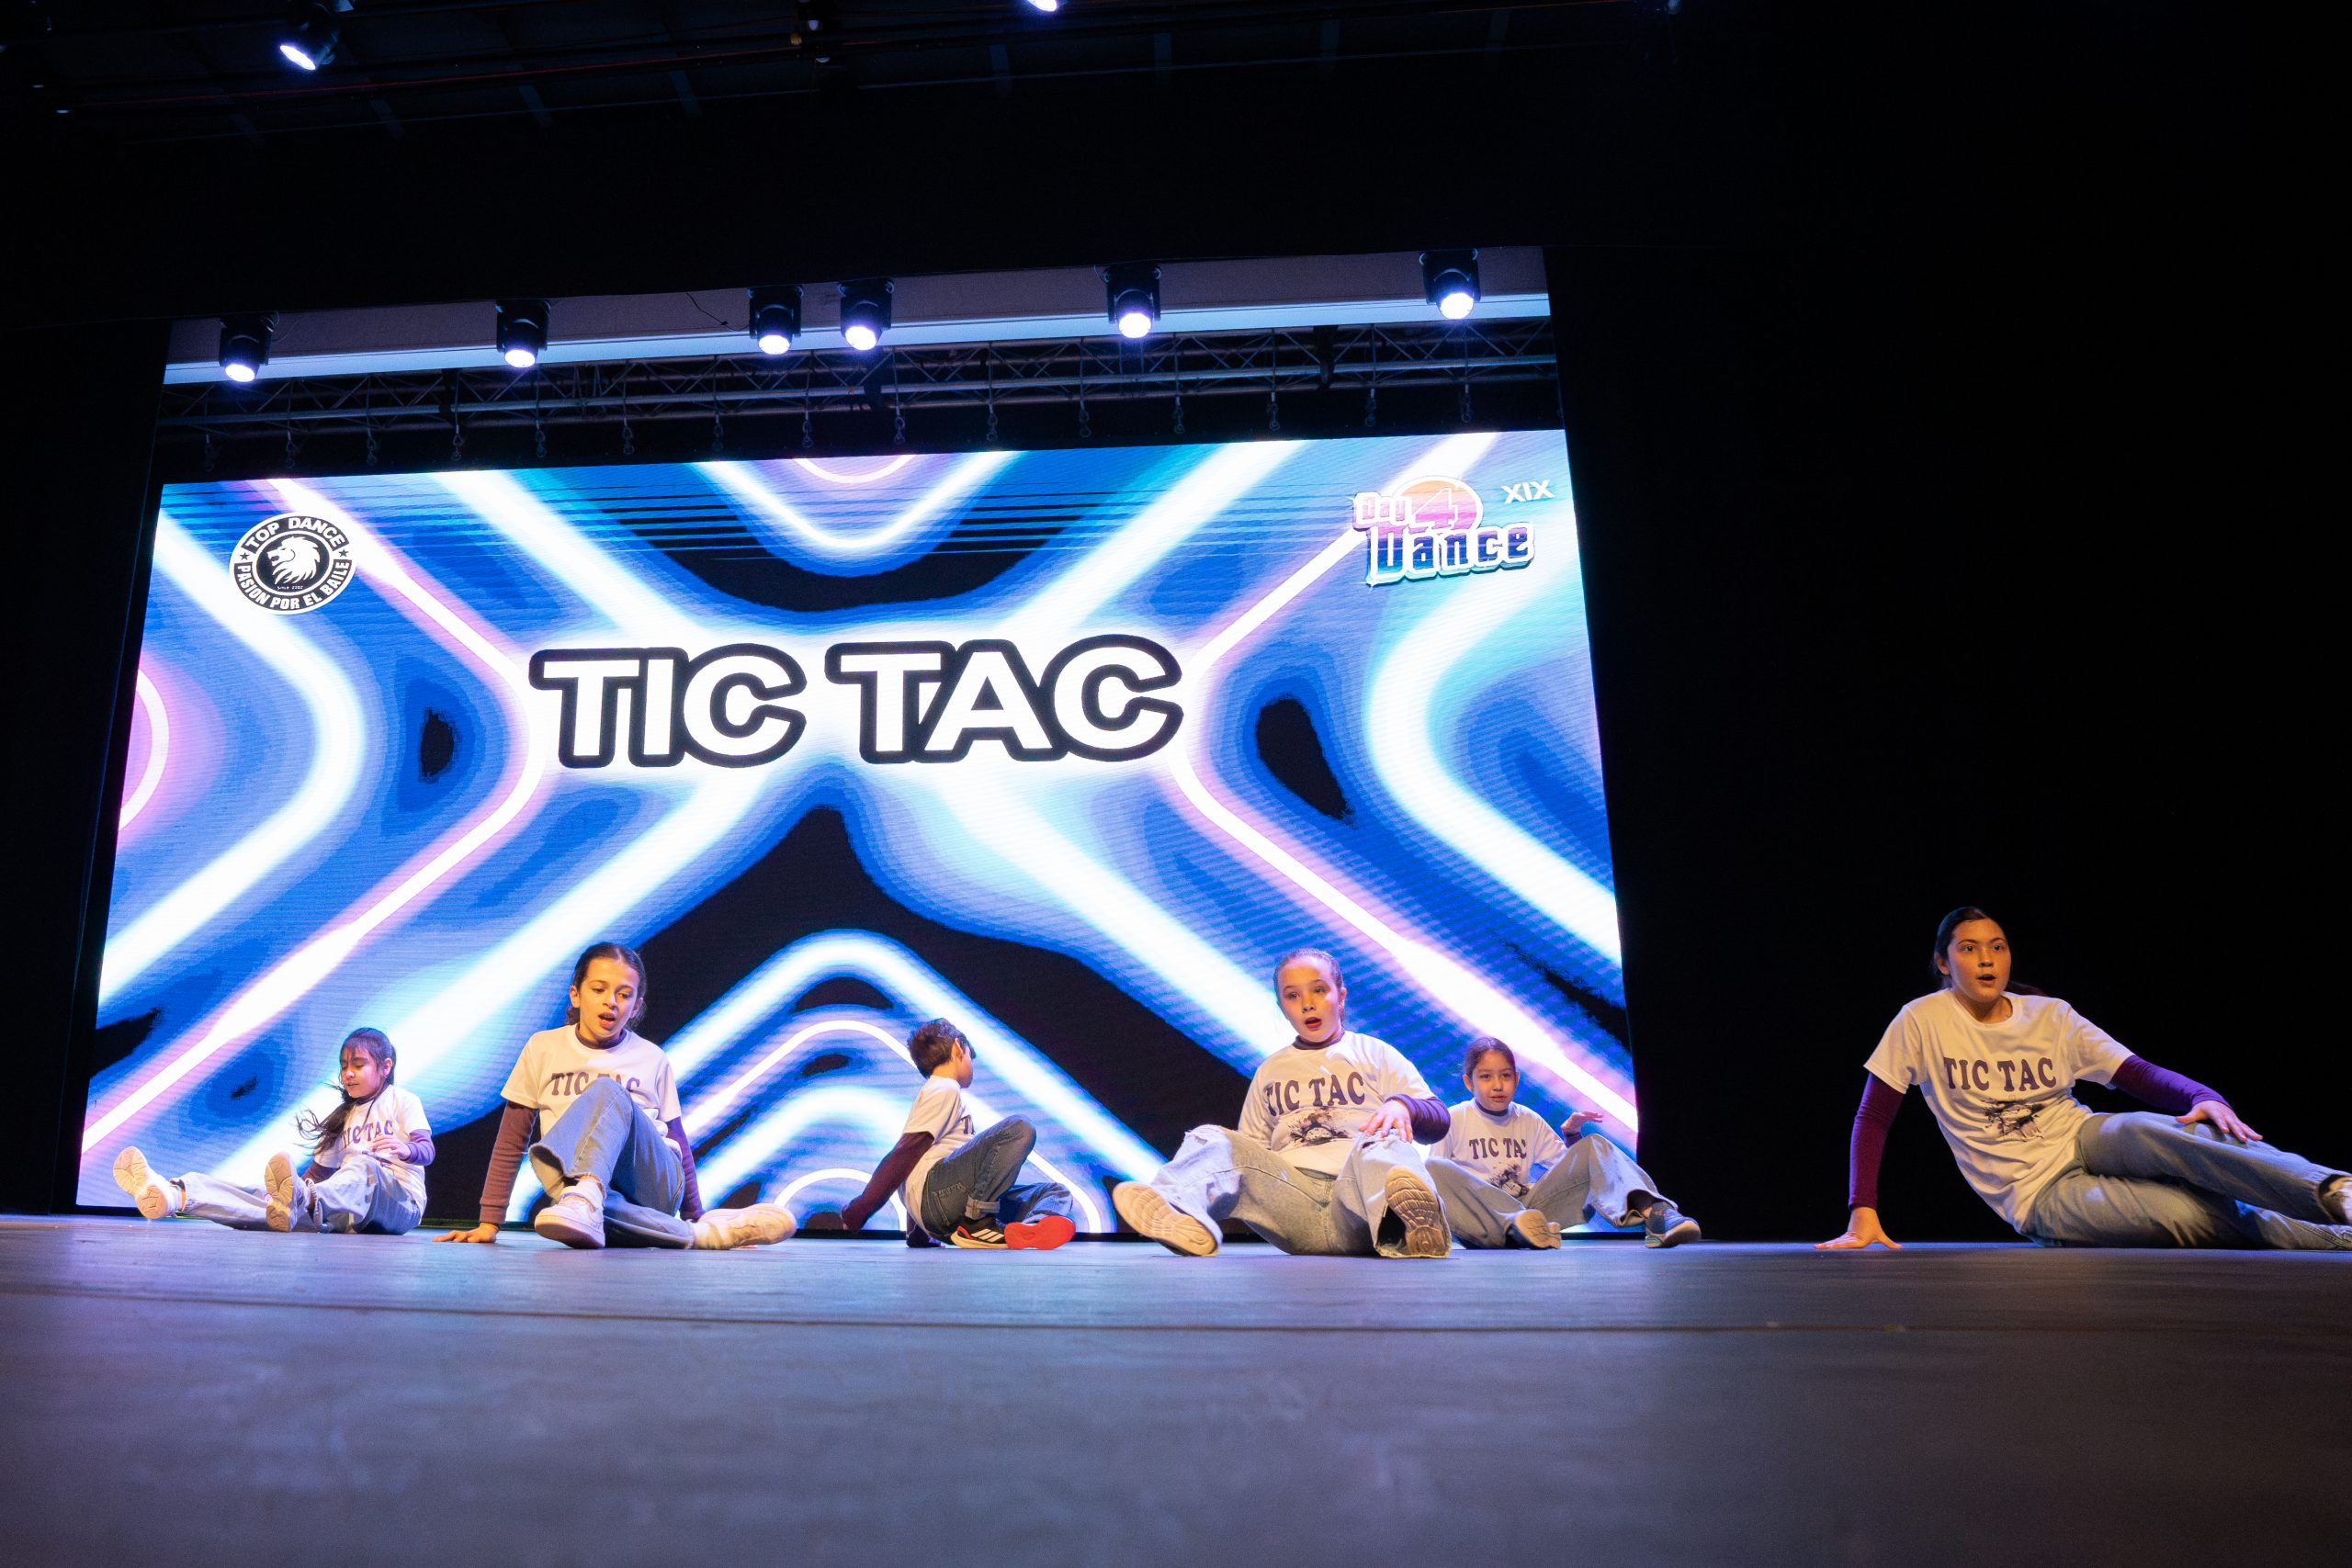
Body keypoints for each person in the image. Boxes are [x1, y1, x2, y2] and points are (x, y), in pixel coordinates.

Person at [1818, 907, 2352, 1251]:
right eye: (1969, 948)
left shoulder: (2049, 1015)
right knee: (2189, 1214)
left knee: (2168, 1132)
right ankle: (2336, 1238)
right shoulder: (1921, 1020)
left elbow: (2135, 1073)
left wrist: (2202, 1095)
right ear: (1943, 962)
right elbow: (1873, 1117)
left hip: (2080, 1135)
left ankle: (2338, 1192)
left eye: (1998, 946)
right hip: (2037, 1192)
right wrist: (1862, 1210)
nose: (1987, 959)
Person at [439, 941, 795, 1250]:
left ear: (636, 1006)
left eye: (624, 995)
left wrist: (693, 1210)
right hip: (576, 1189)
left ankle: (591, 1197)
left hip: (652, 1183)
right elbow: (511, 1140)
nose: (611, 1002)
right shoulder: (542, 1048)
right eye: (599, 989)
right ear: (576, 995)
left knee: (607, 1090)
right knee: (563, 1206)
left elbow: (678, 1141)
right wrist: (489, 1223)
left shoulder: (651, 1057)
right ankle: (702, 1235)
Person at [1111, 946, 1454, 1258]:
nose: (1307, 1004)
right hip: (1293, 1205)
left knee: (1383, 1141)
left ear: (1340, 996)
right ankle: (1174, 1206)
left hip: (1359, 1202)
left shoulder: (1374, 1052)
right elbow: (1251, 1152)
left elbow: (1438, 1119)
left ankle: (1411, 1229)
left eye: (1319, 990)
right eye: (1293, 996)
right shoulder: (1271, 1069)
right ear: (1282, 1008)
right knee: (1213, 1139)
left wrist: (1403, 1105)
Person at [112, 1027, 432, 1235]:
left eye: (358, 1065)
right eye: (344, 1066)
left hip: (401, 1206)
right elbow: (316, 1175)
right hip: (345, 1214)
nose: (348, 1073)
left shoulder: (402, 1101)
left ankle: (303, 1200)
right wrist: (283, 1194)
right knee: (266, 1200)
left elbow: (427, 1151)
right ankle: (176, 1195)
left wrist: (406, 1149)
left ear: (385, 1067)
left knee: (364, 1166)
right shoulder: (342, 1118)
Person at [1426, 1037, 1701, 1248]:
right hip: (1481, 1222)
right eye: (1486, 1077)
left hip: (1531, 1214)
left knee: (1594, 1145)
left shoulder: (1528, 1119)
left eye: (1505, 1075)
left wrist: (1573, 1138)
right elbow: (1436, 1190)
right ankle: (1516, 1228)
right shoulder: (1453, 1119)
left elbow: (1575, 1174)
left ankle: (1657, 1214)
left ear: (1516, 1079)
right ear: (1469, 1083)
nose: (1497, 1085)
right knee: (1433, 1167)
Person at [837, 1018, 1077, 1249]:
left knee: (1055, 1192)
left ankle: (1032, 1228)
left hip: (947, 1210)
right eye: (970, 1056)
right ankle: (977, 1223)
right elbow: (907, 1152)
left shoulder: (939, 1092)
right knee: (1019, 1128)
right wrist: (860, 1209)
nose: (972, 1065)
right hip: (944, 1202)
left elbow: (919, 1160)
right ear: (958, 1047)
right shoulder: (944, 1087)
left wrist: (919, 1233)